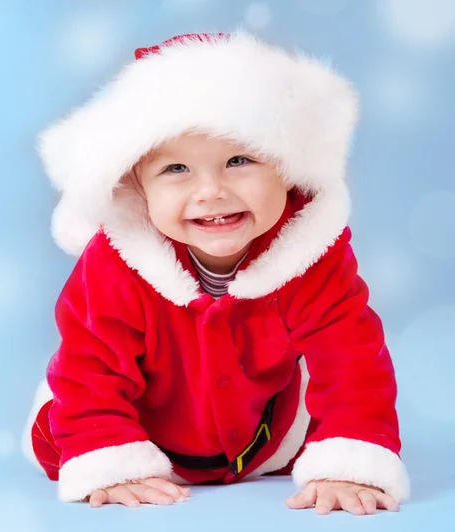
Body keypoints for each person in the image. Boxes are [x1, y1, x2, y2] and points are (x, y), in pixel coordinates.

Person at [21, 32, 410, 515]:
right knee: (65, 433)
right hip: (143, 430)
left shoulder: (311, 256)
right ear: (138, 188)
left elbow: (351, 357)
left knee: (337, 421)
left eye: (239, 161)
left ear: (287, 170)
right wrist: (108, 456)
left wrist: (348, 462)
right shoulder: (116, 264)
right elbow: (91, 364)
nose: (211, 191)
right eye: (176, 169)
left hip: (263, 436)